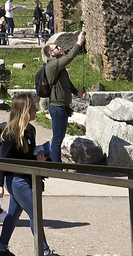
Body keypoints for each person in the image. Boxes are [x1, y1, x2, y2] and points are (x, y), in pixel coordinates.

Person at [0, 93, 56, 256]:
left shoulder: (30, 130)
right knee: (35, 212)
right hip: (15, 179)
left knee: (13, 215)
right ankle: (45, 252)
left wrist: (40, 158)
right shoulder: (10, 132)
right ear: (25, 110)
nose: (35, 110)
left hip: (25, 177)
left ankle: (1, 249)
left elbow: (27, 156)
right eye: (33, 107)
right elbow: (3, 160)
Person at [40, 30, 85, 166]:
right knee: (58, 139)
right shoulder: (53, 65)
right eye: (57, 47)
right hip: (57, 107)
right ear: (51, 53)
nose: (60, 48)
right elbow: (70, 57)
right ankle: (56, 166)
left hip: (62, 107)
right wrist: (79, 42)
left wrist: (76, 92)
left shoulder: (58, 67)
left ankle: (55, 163)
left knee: (59, 137)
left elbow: (66, 83)